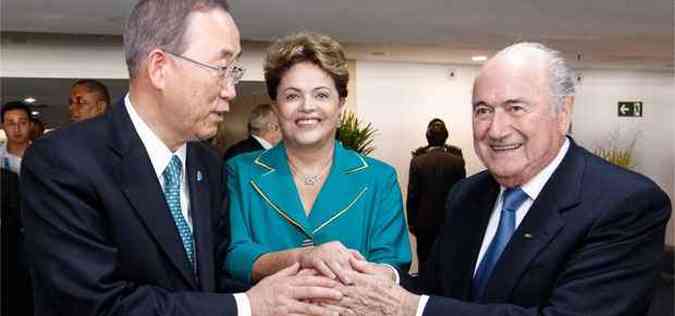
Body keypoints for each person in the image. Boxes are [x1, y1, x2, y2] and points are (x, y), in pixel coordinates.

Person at [21, 2, 345, 316]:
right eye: (221, 69)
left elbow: (217, 269)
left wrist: (295, 262)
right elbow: (94, 304)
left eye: (234, 71)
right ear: (160, 68)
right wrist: (247, 307)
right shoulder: (63, 162)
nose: (231, 90)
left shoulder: (208, 164)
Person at [329, 42, 671, 316]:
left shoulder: (626, 204)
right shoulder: (466, 194)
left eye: (515, 108)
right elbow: (439, 289)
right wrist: (382, 281)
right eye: (483, 110)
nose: (495, 129)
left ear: (563, 112)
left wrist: (410, 309)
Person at [225, 31, 411, 285]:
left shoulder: (380, 178)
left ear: (340, 103)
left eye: (321, 95)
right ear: (276, 106)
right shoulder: (241, 171)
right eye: (292, 96)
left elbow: (392, 261)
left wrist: (379, 276)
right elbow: (235, 254)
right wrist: (303, 257)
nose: (307, 107)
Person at [407, 118, 465, 267]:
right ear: (446, 136)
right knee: (448, 262)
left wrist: (412, 223)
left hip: (424, 223)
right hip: (449, 221)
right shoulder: (457, 161)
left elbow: (413, 195)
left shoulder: (417, 162)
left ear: (427, 137)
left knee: (425, 262)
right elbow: (461, 193)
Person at [0, 101, 31, 174]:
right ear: (3, 126)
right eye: (11, 124)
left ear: (30, 125)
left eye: (23, 123)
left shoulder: (44, 155)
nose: (17, 129)